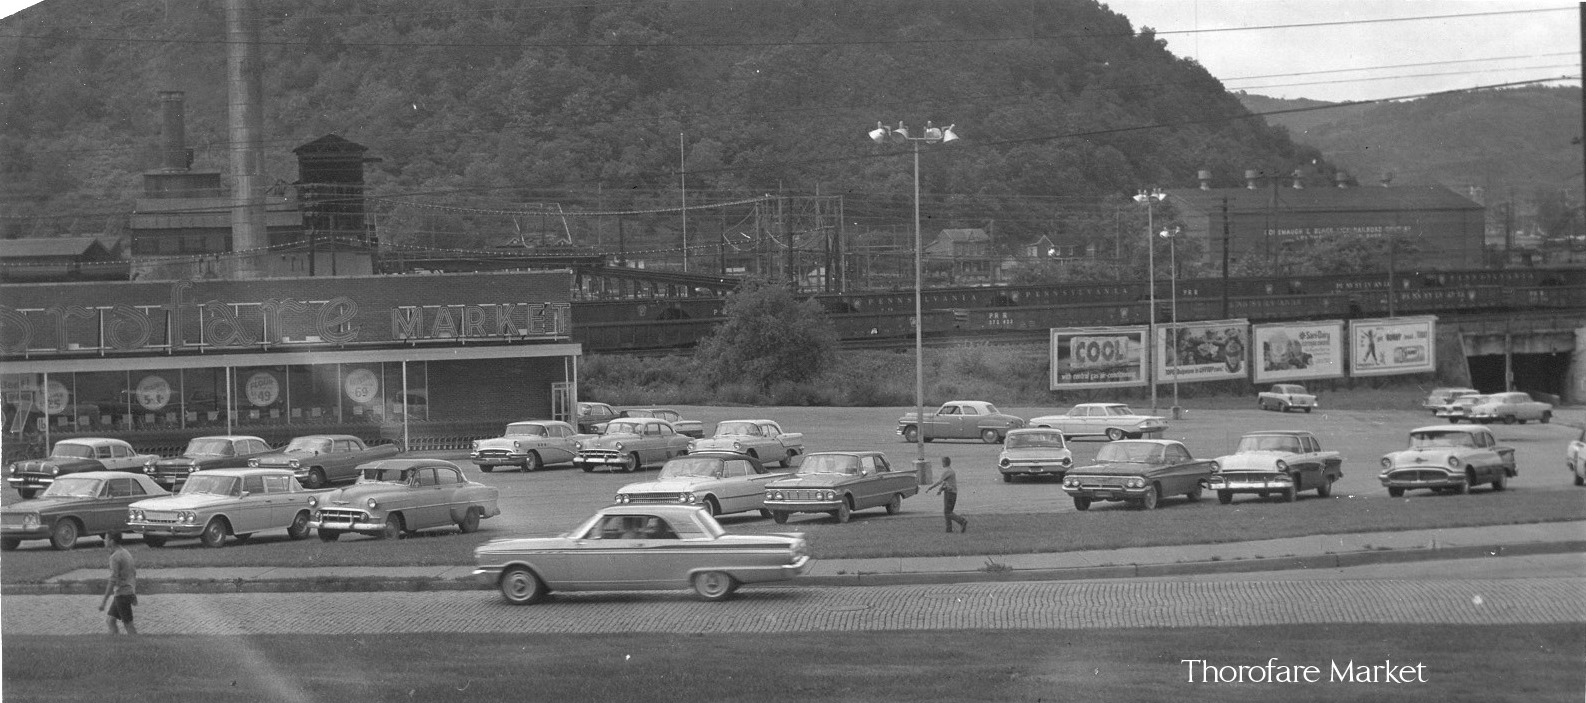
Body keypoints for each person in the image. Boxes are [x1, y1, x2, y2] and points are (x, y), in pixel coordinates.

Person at [98, 532, 138, 635]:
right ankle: (116, 642)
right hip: (126, 592)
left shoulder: (115, 557)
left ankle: (137, 643)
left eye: (106, 538)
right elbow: (133, 573)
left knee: (128, 625)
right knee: (110, 620)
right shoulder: (125, 552)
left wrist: (104, 601)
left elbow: (112, 580)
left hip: (122, 594)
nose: (104, 541)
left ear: (111, 541)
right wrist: (133, 592)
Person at [925, 456, 968, 533]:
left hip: (950, 493)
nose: (942, 464)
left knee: (947, 512)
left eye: (942, 462)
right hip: (952, 493)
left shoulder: (947, 471)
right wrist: (941, 490)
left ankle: (962, 521)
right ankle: (949, 529)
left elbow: (940, 481)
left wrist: (930, 488)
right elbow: (946, 483)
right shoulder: (951, 471)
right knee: (948, 511)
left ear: (944, 463)